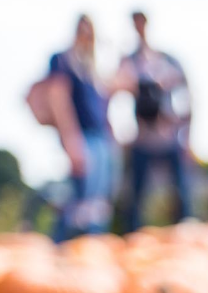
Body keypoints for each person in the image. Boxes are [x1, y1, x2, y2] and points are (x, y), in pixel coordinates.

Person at [118, 11, 193, 231]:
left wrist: (185, 133)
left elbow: (188, 96)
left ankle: (186, 235)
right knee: (135, 197)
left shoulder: (167, 60)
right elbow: (115, 92)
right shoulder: (129, 61)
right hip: (143, 138)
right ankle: (132, 237)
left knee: (181, 195)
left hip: (168, 137)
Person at [46, 15, 119, 240]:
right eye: (83, 31)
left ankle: (91, 248)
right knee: (78, 201)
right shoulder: (62, 60)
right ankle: (62, 249)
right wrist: (71, 140)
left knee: (97, 204)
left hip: (100, 138)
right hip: (83, 138)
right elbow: (58, 100)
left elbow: (103, 107)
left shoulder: (91, 67)